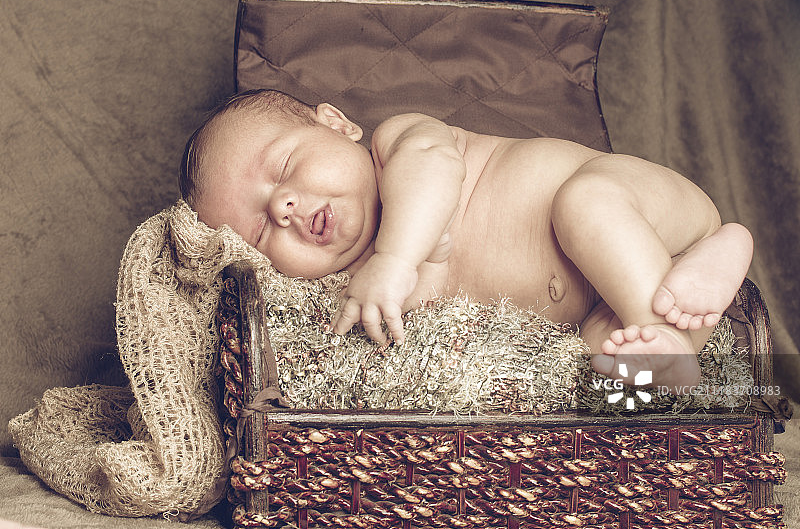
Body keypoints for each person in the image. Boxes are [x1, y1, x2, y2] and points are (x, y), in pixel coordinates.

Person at [180, 89, 753, 390]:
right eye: (258, 230)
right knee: (603, 356)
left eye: (284, 165)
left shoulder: (398, 144)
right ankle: (683, 297)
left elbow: (435, 170)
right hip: (609, 291)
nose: (282, 207)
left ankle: (712, 255)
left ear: (336, 125)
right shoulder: (355, 292)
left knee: (585, 206)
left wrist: (397, 257)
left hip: (637, 204)